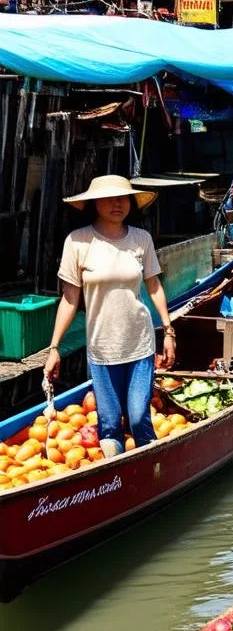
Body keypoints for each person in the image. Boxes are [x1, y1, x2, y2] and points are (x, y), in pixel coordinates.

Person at [44, 175, 174, 457]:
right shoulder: (78, 242)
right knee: (110, 423)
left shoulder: (141, 239)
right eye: (110, 198)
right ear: (94, 204)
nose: (118, 204)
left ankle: (151, 471)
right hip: (102, 350)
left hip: (140, 344)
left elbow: (154, 285)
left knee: (139, 417)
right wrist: (54, 348)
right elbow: (69, 299)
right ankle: (116, 479)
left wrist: (168, 331)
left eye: (123, 198)